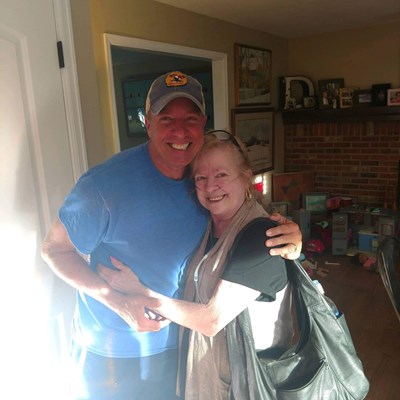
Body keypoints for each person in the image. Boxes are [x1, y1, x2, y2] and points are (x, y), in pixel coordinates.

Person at [41, 71, 302, 400]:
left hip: (185, 346)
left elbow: (244, 235)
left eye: (190, 118)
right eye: (166, 119)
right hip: (115, 350)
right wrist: (118, 301)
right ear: (148, 123)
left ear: (202, 124)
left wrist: (293, 243)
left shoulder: (201, 180)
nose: (180, 131)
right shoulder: (103, 186)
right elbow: (54, 250)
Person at [98, 130, 294, 399]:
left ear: (246, 177)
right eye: (201, 178)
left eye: (221, 175)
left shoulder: (261, 237)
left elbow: (211, 320)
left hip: (246, 385)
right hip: (206, 375)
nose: (211, 187)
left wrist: (139, 291)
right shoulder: (207, 226)